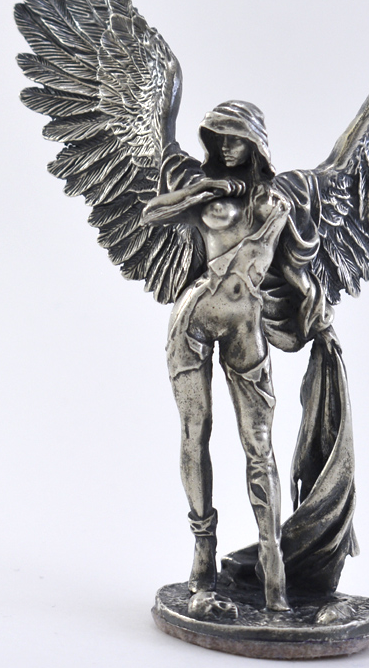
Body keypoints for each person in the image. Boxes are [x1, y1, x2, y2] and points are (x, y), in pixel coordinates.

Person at [141, 101, 292, 611]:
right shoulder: (208, 194)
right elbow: (152, 214)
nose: (226, 147)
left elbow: (293, 269)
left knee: (259, 443)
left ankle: (273, 562)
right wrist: (199, 192)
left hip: (247, 324)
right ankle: (203, 547)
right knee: (195, 430)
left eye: (236, 138)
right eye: (219, 137)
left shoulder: (275, 205)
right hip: (193, 320)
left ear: (255, 144)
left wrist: (315, 312)